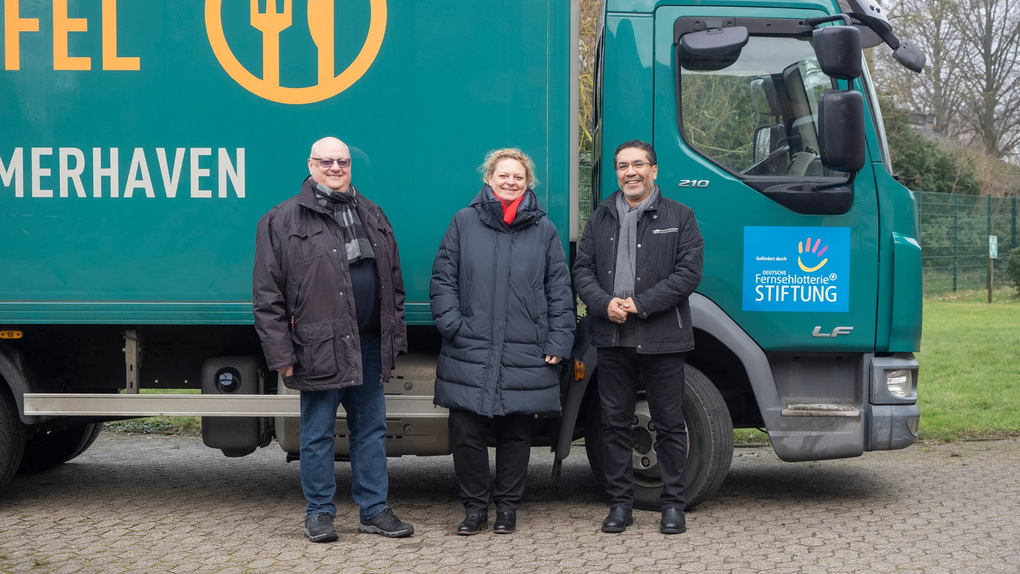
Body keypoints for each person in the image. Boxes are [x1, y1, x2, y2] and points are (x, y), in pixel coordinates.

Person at [252, 137, 414, 542]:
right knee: (318, 432)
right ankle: (320, 513)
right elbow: (267, 294)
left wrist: (393, 335)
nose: (336, 167)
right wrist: (280, 354)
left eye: (342, 161)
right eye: (327, 161)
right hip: (318, 345)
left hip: (370, 343)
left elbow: (392, 282)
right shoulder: (282, 220)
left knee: (371, 430)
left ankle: (374, 510)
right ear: (311, 165)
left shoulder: (371, 212)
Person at [430, 148, 575, 535]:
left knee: (515, 433)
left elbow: (559, 290)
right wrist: (452, 325)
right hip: (469, 346)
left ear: (527, 184)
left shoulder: (544, 230)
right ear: (488, 179)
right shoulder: (464, 222)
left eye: (518, 177)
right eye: (503, 176)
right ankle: (475, 508)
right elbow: (443, 278)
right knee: (466, 433)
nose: (510, 182)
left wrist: (559, 340)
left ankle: (507, 507)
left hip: (524, 349)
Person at [572, 140, 704, 535]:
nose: (630, 172)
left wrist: (638, 304)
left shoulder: (681, 216)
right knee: (614, 425)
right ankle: (620, 505)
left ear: (654, 170)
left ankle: (673, 506)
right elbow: (582, 271)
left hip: (663, 337)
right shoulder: (600, 218)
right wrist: (603, 304)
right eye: (622, 166)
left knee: (668, 424)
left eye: (638, 165)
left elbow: (688, 275)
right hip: (612, 338)